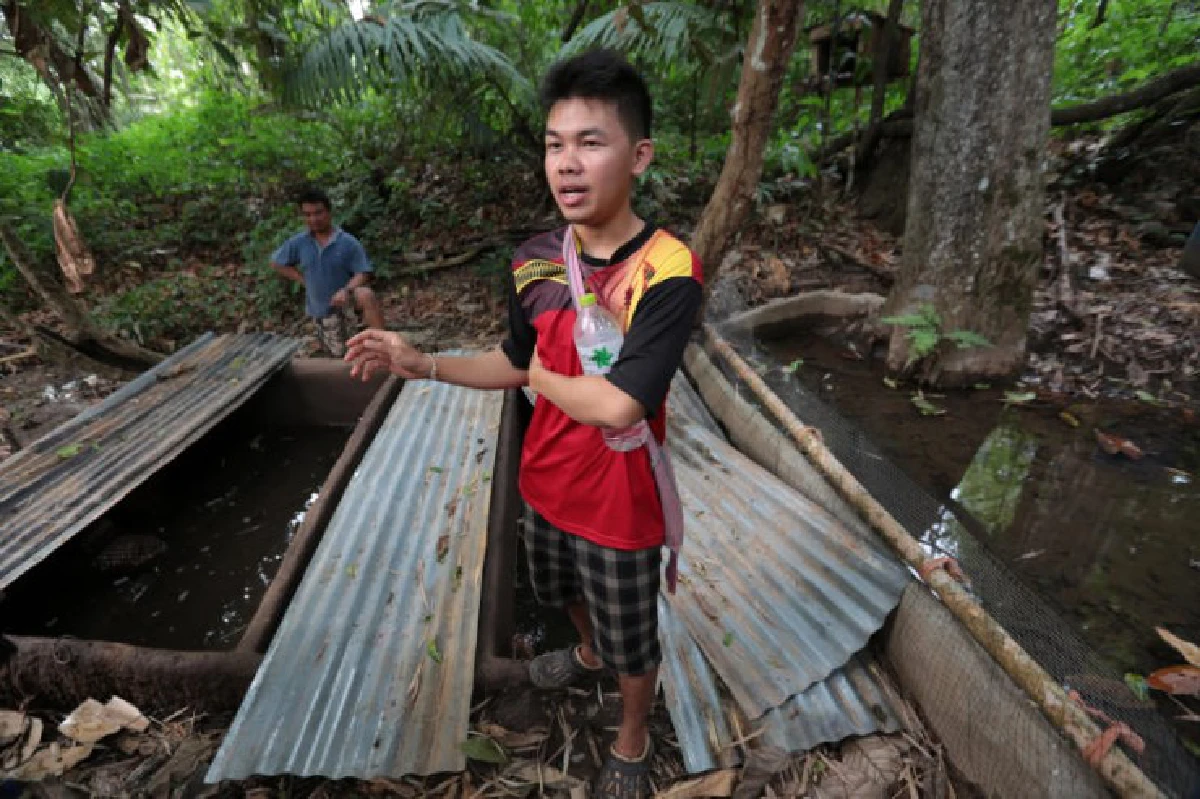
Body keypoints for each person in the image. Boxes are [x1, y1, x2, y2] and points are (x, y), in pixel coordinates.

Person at [344, 49, 702, 799]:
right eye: (553, 144)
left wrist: (540, 376)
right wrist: (424, 361)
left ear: (639, 155)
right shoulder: (535, 258)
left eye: (591, 143)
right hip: (543, 484)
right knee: (557, 588)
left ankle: (631, 738)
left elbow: (620, 404)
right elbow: (514, 357)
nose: (567, 164)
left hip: (621, 502)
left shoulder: (669, 270)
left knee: (637, 638)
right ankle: (588, 650)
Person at [270, 188, 385, 356]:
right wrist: (302, 280)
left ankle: (384, 346)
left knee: (365, 294)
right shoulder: (299, 242)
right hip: (322, 312)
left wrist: (346, 290)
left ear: (329, 212)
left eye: (318, 213)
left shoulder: (347, 242)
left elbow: (363, 272)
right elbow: (276, 263)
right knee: (340, 355)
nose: (313, 219)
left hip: (347, 307)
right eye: (307, 215)